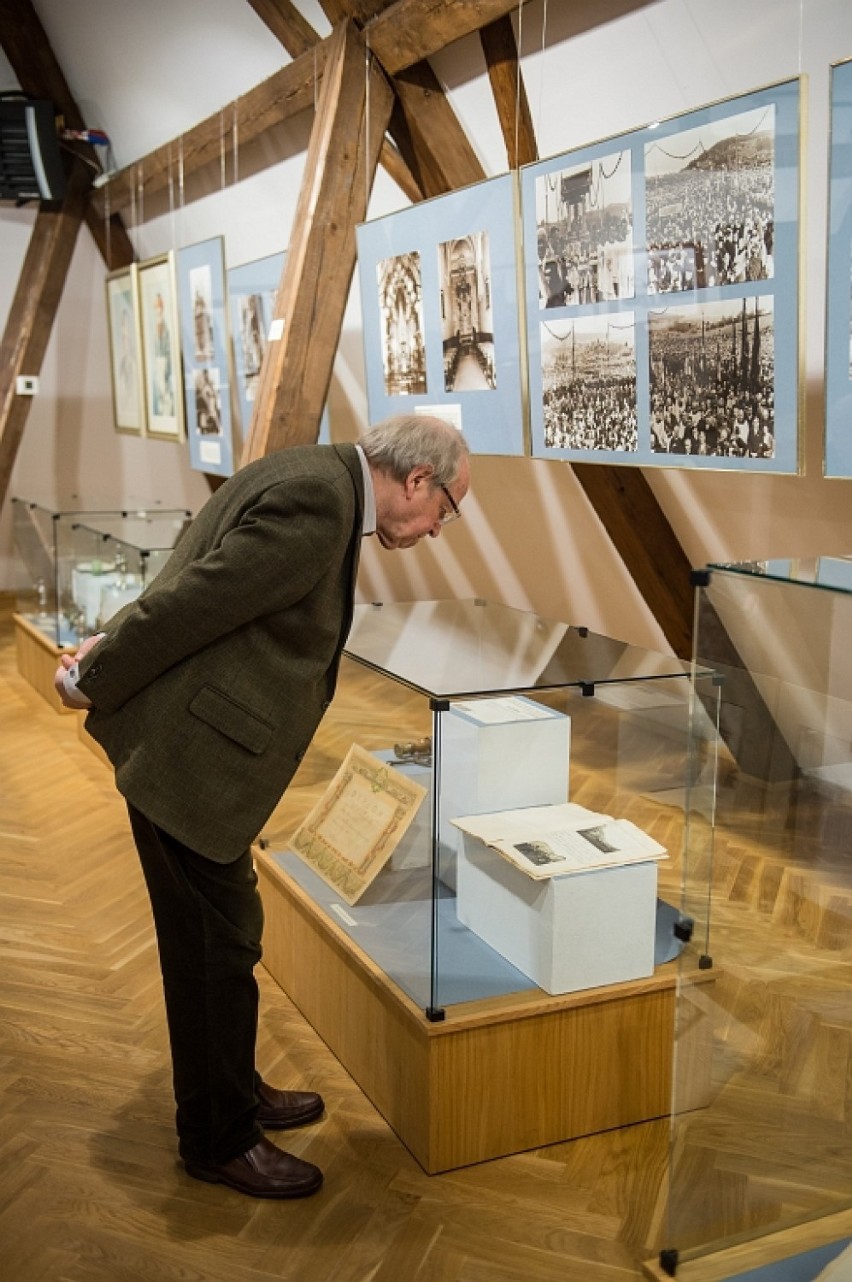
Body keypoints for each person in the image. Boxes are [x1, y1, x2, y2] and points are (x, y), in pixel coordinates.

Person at [54, 414, 470, 1200]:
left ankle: (232, 1091)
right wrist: (93, 675)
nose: (439, 528)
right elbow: (191, 604)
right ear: (417, 481)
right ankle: (218, 1138)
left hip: (196, 755)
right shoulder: (319, 503)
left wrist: (101, 645)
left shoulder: (313, 474)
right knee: (214, 951)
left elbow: (186, 575)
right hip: (193, 762)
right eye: (447, 508)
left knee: (226, 936)